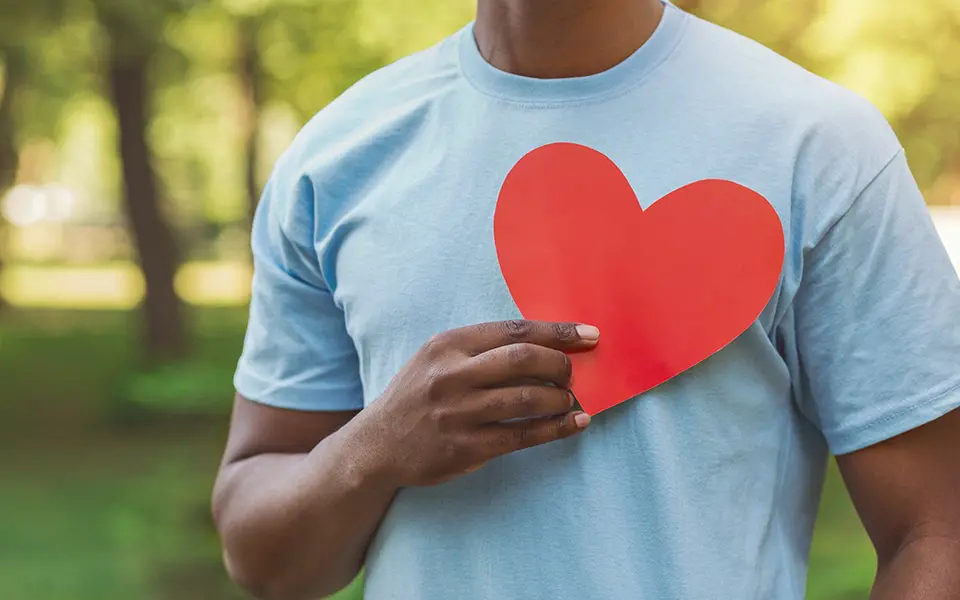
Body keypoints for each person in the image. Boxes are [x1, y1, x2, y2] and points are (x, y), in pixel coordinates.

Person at [211, 1, 960, 598]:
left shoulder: (818, 146)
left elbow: (937, 532)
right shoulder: (335, 158)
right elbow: (265, 562)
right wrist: (372, 451)